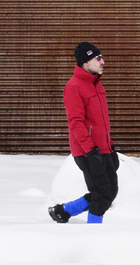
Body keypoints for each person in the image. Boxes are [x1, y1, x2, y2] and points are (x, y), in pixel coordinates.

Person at [49, 42, 119, 224]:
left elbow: (100, 122)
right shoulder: (74, 86)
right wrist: (90, 151)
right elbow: (76, 122)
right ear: (86, 62)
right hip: (87, 151)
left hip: (103, 148)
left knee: (110, 192)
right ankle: (93, 233)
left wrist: (110, 146)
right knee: (102, 195)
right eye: (98, 58)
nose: (103, 62)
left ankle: (64, 211)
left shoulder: (96, 85)